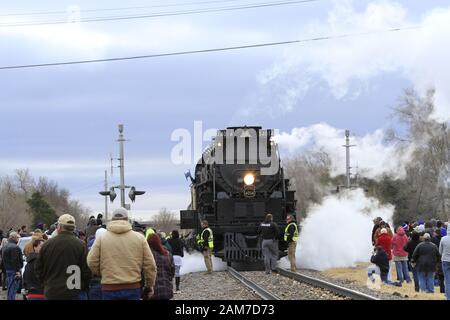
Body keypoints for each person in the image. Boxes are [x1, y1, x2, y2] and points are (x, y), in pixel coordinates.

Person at [87, 207, 157, 300]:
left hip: (109, 287)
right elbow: (150, 265)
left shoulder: (102, 238)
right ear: (127, 219)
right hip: (133, 287)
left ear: (112, 220)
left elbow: (91, 261)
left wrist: (102, 273)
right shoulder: (139, 238)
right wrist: (149, 285)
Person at [35, 214, 91, 300]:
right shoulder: (81, 245)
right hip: (74, 292)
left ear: (59, 227)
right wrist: (82, 286)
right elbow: (86, 270)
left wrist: (46, 284)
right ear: (73, 228)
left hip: (52, 292)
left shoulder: (47, 245)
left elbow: (38, 269)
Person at [147, 234, 175, 300]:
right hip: (166, 289)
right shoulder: (168, 254)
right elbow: (172, 271)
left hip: (152, 291)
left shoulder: (147, 255)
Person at [1, 232, 23, 300]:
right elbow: (15, 260)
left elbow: (3, 259)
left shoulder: (4, 246)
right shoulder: (15, 247)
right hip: (13, 270)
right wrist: (17, 271)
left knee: (10, 288)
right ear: (13, 238)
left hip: (7, 269)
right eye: (17, 237)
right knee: (13, 289)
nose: (18, 239)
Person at [439, 224, 450, 300]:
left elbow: (440, 251)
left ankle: (448, 297)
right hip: (446, 260)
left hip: (445, 260)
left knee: (447, 280)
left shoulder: (443, 239)